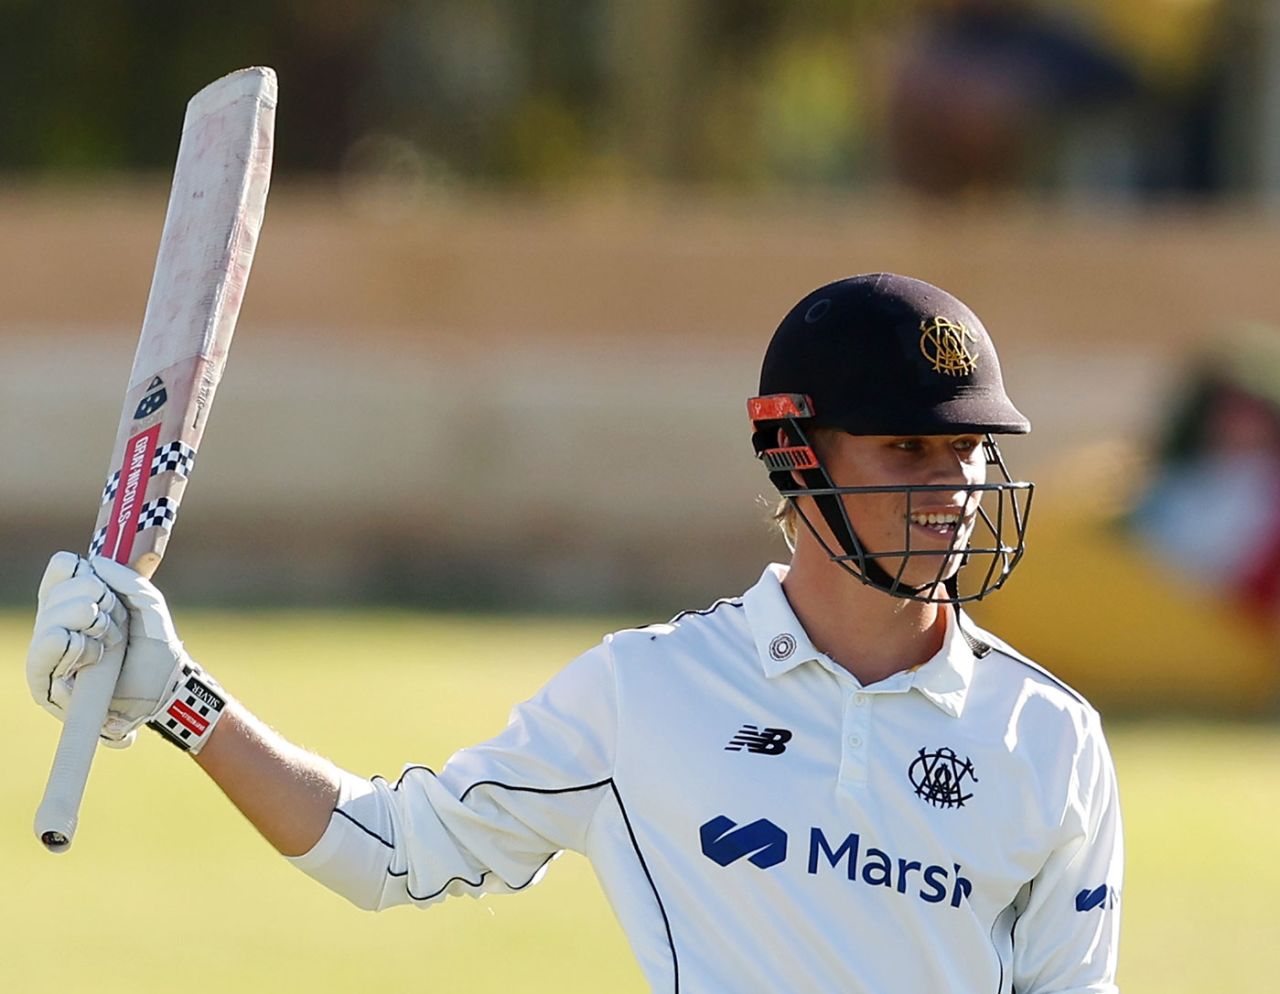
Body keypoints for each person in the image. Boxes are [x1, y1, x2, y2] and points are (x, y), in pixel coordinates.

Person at [27, 273, 1122, 993]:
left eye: (967, 454)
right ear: (797, 456)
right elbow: (389, 850)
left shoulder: (1051, 738)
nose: (954, 489)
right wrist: (176, 695)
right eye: (906, 451)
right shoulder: (646, 691)